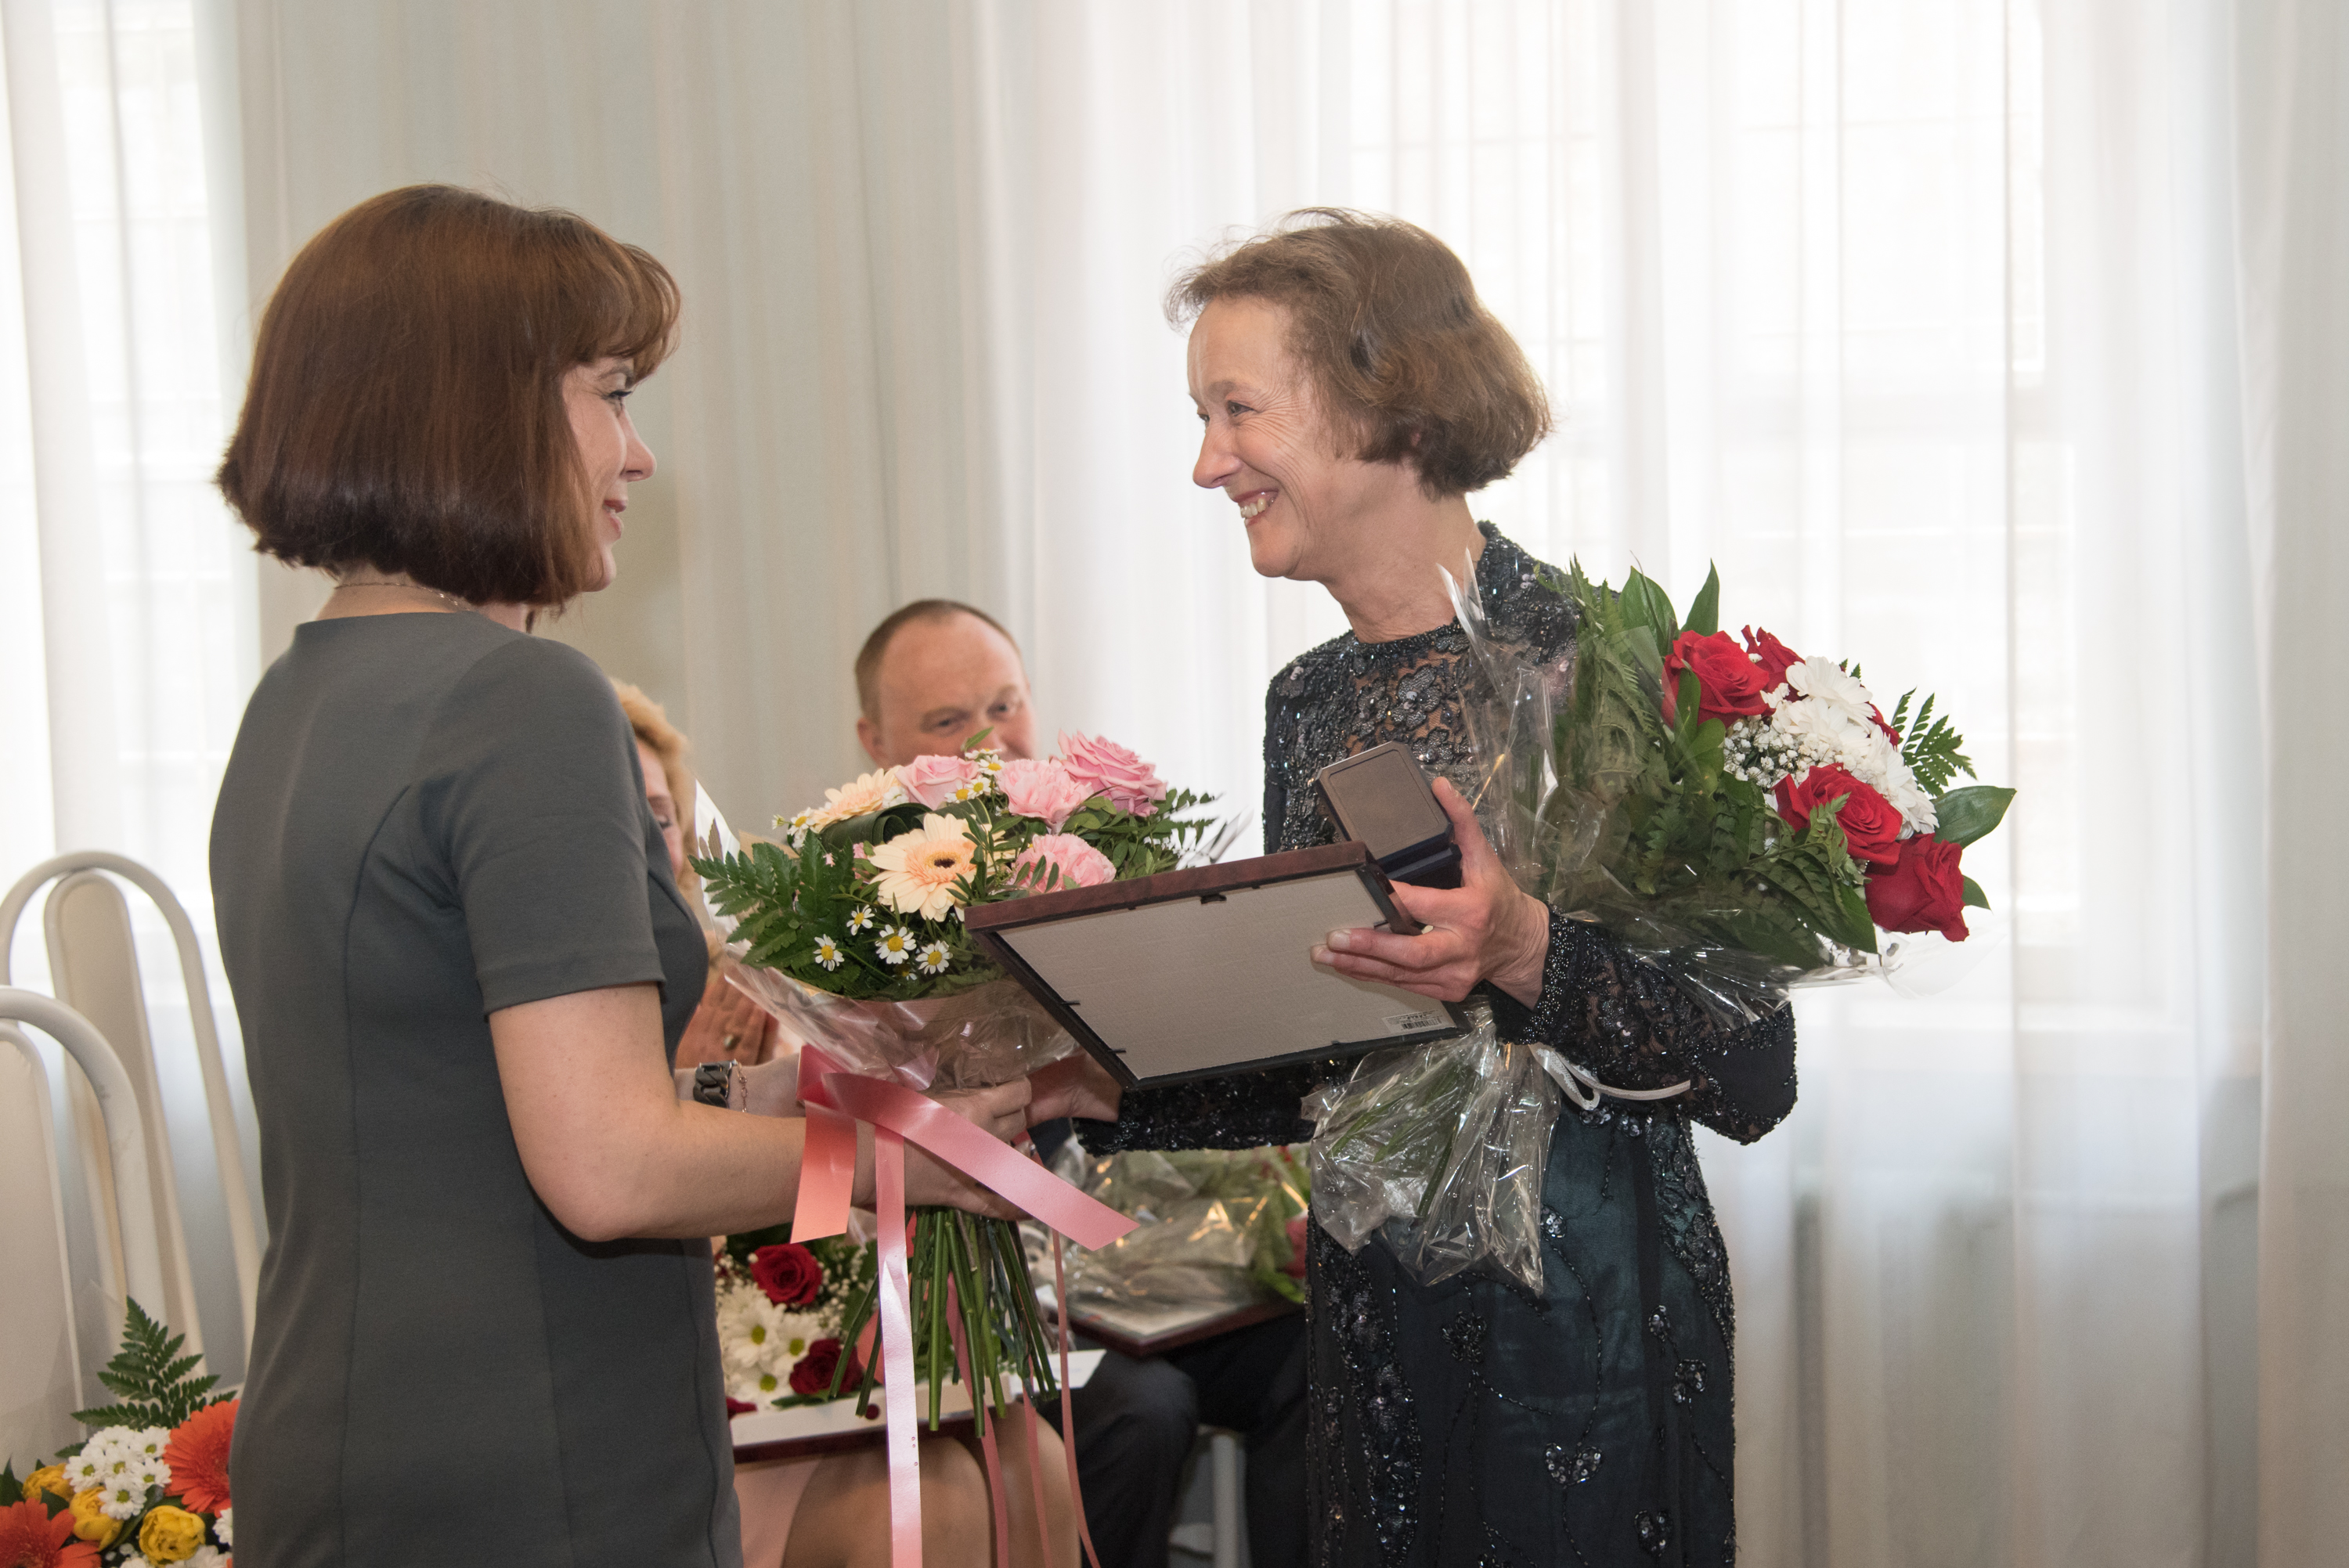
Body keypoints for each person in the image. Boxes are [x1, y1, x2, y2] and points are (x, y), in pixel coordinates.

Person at [207, 185, 1066, 1568]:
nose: (640, 451)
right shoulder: (522, 699)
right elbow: (609, 1167)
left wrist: (833, 1094)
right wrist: (904, 1163)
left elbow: (475, 1107)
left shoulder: (294, 700)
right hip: (540, 1452)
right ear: (482, 408)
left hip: (340, 1438)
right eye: (611, 393)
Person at [1061, 211, 1801, 1566]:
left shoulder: (1607, 665)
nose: (1207, 462)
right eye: (1201, 417)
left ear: (1388, 404)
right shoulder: (1310, 699)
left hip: (1585, 1328)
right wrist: (1092, 1075)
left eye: (1238, 410)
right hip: (1372, 1325)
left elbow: (1753, 1070)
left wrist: (1524, 945)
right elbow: (1340, 1049)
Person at [854, 600, 1309, 1568]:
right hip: (978, 1297)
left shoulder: (1088, 860)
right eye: (948, 721)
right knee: (1142, 1414)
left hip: (1150, 1277)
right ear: (875, 742)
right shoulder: (858, 913)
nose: (990, 740)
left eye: (1005, 704)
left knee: (1320, 1353)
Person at [614, 679, 781, 1069]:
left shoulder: (741, 970)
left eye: (661, 821)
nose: (646, 847)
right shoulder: (533, 1001)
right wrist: (688, 1078)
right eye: (617, 823)